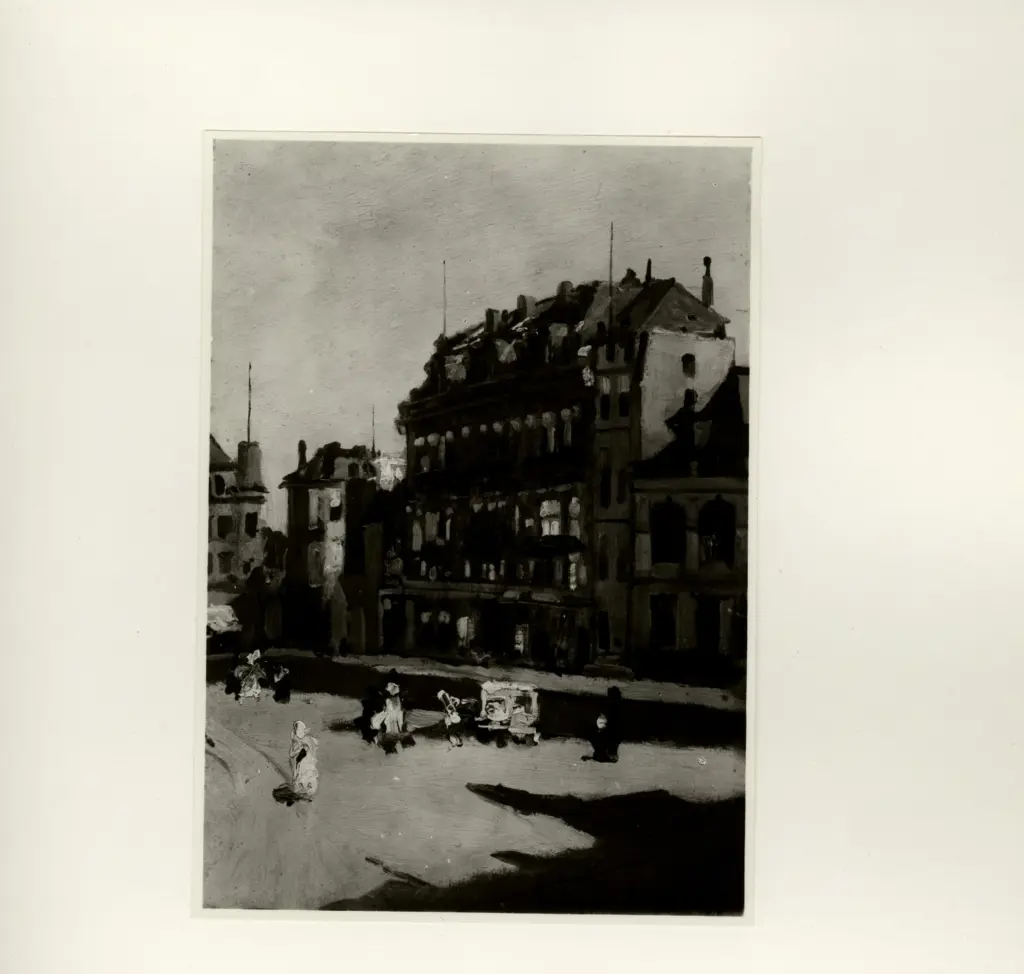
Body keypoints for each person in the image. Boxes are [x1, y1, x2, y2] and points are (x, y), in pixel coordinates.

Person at [274, 720, 319, 806]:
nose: (300, 732)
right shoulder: (296, 741)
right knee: (299, 778)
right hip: (300, 764)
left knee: (304, 777)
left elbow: (310, 750)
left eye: (301, 730)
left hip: (305, 764)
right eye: (298, 730)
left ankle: (306, 793)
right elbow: (292, 754)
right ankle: (303, 793)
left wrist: (303, 748)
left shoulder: (307, 740)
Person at [588, 686, 623, 763]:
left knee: (612, 714)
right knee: (613, 714)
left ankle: (613, 697)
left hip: (608, 730)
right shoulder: (607, 747)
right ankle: (614, 697)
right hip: (609, 730)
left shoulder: (604, 749)